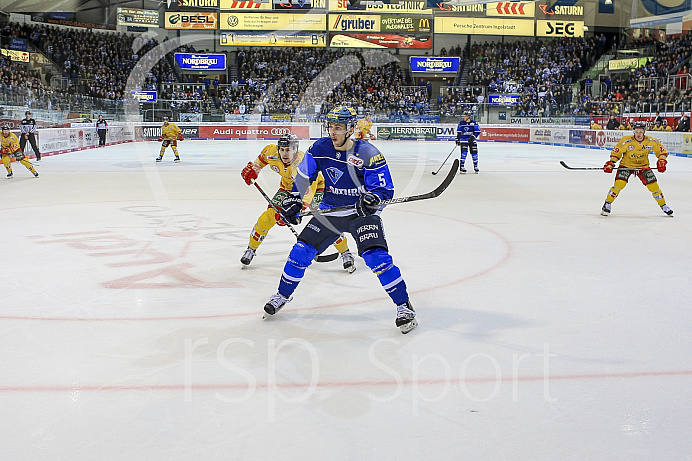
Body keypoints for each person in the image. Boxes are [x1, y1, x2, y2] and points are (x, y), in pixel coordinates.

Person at [262, 106, 417, 334]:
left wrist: (373, 198)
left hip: (361, 214)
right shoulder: (319, 148)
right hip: (330, 210)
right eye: (331, 126)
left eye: (339, 127)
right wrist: (294, 199)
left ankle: (404, 307)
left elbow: (385, 190)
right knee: (300, 252)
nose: (333, 132)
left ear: (351, 129)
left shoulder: (368, 153)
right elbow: (304, 177)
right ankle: (282, 295)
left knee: (377, 258)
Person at [239, 133, 356, 273]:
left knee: (325, 222)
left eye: (288, 149)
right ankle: (251, 249)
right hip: (287, 188)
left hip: (316, 187)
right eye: (282, 149)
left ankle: (345, 252)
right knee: (268, 217)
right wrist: (254, 170)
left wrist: (293, 212)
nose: (284, 153)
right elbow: (261, 160)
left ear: (295, 149)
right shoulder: (271, 152)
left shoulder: (302, 163)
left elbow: (306, 194)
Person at [601, 121, 672, 217]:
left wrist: (662, 161)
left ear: (644, 132)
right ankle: (607, 203)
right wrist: (611, 163)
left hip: (643, 166)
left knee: (653, 186)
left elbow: (661, 151)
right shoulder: (626, 140)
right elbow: (617, 152)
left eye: (640, 131)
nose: (638, 134)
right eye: (636, 131)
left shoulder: (652, 141)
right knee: (619, 184)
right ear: (633, 131)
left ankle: (663, 205)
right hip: (626, 165)